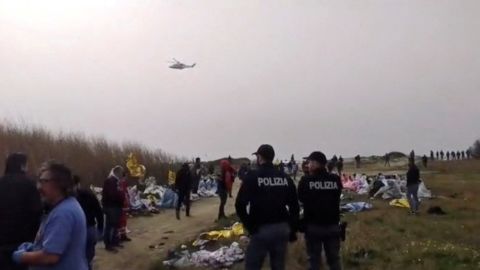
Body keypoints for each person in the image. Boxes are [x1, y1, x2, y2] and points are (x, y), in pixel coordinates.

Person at [12, 161, 88, 270]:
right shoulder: (64, 207)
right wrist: (34, 248)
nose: (38, 187)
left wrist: (21, 256)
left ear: (60, 183)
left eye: (44, 181)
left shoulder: (64, 213)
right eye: (39, 181)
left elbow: (50, 256)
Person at [235, 144, 299, 270]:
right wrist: (292, 229)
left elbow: (240, 204)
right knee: (278, 265)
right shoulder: (285, 178)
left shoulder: (253, 177)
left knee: (253, 265)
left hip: (261, 229)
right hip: (282, 228)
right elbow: (294, 206)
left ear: (260, 157)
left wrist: (250, 226)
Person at [298, 152, 343, 270]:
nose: (307, 165)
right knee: (334, 260)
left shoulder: (305, 180)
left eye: (309, 162)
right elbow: (337, 195)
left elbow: (301, 198)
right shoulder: (335, 179)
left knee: (314, 260)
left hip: (313, 227)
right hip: (333, 226)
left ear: (315, 163)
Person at [0, 153, 42, 270]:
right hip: (22, 244)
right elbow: (36, 212)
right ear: (22, 166)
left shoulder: (1, 183)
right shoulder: (29, 185)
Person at [74, 175, 104, 270]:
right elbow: (98, 211)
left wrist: (100, 227)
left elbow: (98, 211)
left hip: (79, 230)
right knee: (87, 257)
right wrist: (100, 228)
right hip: (88, 228)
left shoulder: (66, 197)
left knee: (79, 257)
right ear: (78, 184)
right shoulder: (88, 194)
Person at [102, 166, 125, 253]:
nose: (122, 175)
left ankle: (115, 241)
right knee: (110, 226)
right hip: (111, 207)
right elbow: (112, 195)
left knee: (115, 225)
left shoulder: (116, 181)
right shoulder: (111, 181)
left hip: (115, 206)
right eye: (121, 172)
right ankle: (108, 244)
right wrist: (120, 197)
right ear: (117, 172)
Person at [118, 173, 131, 242]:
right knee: (121, 221)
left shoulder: (124, 183)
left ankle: (123, 235)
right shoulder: (119, 183)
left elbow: (126, 192)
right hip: (121, 204)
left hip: (124, 204)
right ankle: (120, 236)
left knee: (124, 221)